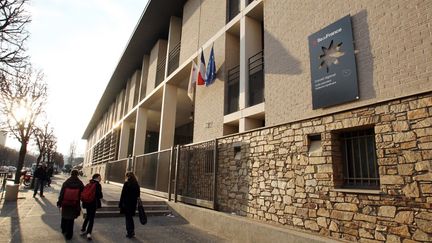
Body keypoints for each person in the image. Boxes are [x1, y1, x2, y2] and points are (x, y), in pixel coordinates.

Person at [57, 169, 84, 240]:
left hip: (65, 203)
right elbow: (83, 193)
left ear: (71, 174)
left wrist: (59, 202)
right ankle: (69, 235)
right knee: (71, 219)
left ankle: (63, 229)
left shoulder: (66, 182)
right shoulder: (80, 183)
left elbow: (62, 193)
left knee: (64, 216)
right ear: (77, 174)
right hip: (74, 204)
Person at [80, 173, 103, 241]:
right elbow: (99, 196)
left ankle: (83, 229)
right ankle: (89, 233)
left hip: (87, 203)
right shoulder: (98, 185)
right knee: (92, 218)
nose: (100, 178)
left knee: (87, 216)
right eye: (99, 177)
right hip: (93, 203)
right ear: (96, 177)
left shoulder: (88, 184)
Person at [119, 171, 140, 238]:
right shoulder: (136, 184)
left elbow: (123, 194)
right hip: (133, 204)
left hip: (126, 203)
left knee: (128, 218)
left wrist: (120, 204)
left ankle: (129, 232)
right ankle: (132, 231)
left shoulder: (127, 183)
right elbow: (138, 195)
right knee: (130, 218)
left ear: (127, 176)